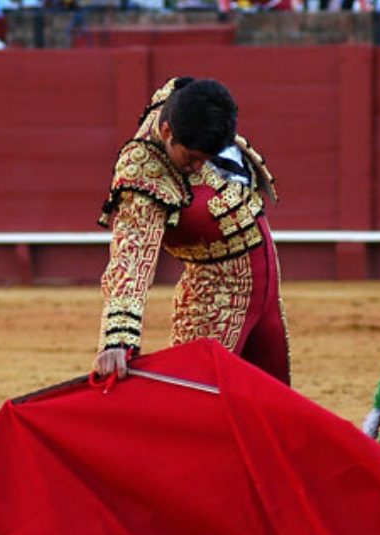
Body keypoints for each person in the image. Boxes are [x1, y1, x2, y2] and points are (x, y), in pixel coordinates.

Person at [94, 77, 290, 385]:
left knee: (272, 406)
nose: (200, 168)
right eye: (192, 158)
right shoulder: (144, 172)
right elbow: (131, 257)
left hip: (266, 288)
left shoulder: (184, 103)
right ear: (167, 132)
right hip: (215, 295)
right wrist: (118, 340)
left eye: (207, 160)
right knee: (196, 403)